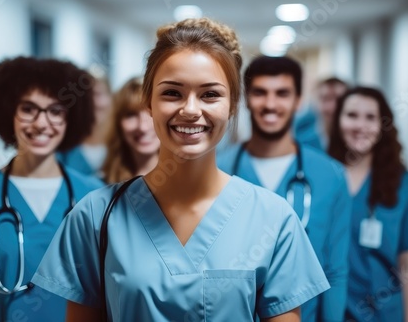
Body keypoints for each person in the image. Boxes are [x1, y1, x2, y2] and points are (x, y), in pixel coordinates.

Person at [31, 18, 330, 321]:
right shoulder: (95, 216)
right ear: (148, 102)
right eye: (172, 93)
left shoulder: (274, 220)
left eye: (210, 94)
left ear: (233, 105)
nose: (190, 110)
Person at [0, 56, 104, 322]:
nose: (42, 123)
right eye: (29, 109)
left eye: (55, 111)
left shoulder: (95, 196)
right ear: (9, 113)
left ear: (71, 118)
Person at [218, 56, 352, 322]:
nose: (270, 104)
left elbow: (335, 271)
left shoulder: (331, 175)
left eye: (282, 93)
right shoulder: (215, 169)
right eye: (259, 93)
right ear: (246, 98)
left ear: (299, 101)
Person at [327, 86, 408, 322]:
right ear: (338, 121)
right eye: (352, 115)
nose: (360, 126)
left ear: (382, 125)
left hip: (382, 313)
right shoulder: (321, 176)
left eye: (371, 117)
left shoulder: (403, 183)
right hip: (327, 309)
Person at [102, 76, 160, 183]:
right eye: (131, 115)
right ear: (117, 123)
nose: (143, 127)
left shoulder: (190, 182)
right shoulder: (98, 185)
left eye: (151, 113)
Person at [57, 75, 113, 179]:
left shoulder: (124, 143)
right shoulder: (64, 148)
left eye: (98, 94)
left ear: (111, 98)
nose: (93, 102)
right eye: (87, 96)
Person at [294, 77, 348, 150]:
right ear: (314, 102)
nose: (333, 107)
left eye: (340, 100)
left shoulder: (354, 141)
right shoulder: (300, 141)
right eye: (326, 99)